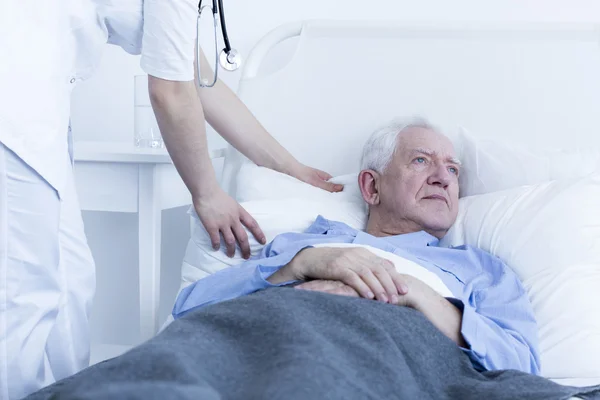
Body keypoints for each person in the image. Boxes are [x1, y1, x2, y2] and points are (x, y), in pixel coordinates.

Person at [0, 1, 339, 399]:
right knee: (23, 296)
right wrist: (207, 193)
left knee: (72, 282)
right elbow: (170, 90)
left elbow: (195, 77)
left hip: (31, 111)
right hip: (15, 109)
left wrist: (289, 166)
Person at [173, 117, 541, 374]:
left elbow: (521, 366)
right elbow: (189, 311)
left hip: (391, 364)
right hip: (273, 348)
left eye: (453, 169)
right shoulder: (306, 246)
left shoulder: (482, 270)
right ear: (372, 187)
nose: (443, 178)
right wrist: (301, 265)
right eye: (421, 160)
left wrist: (416, 294)